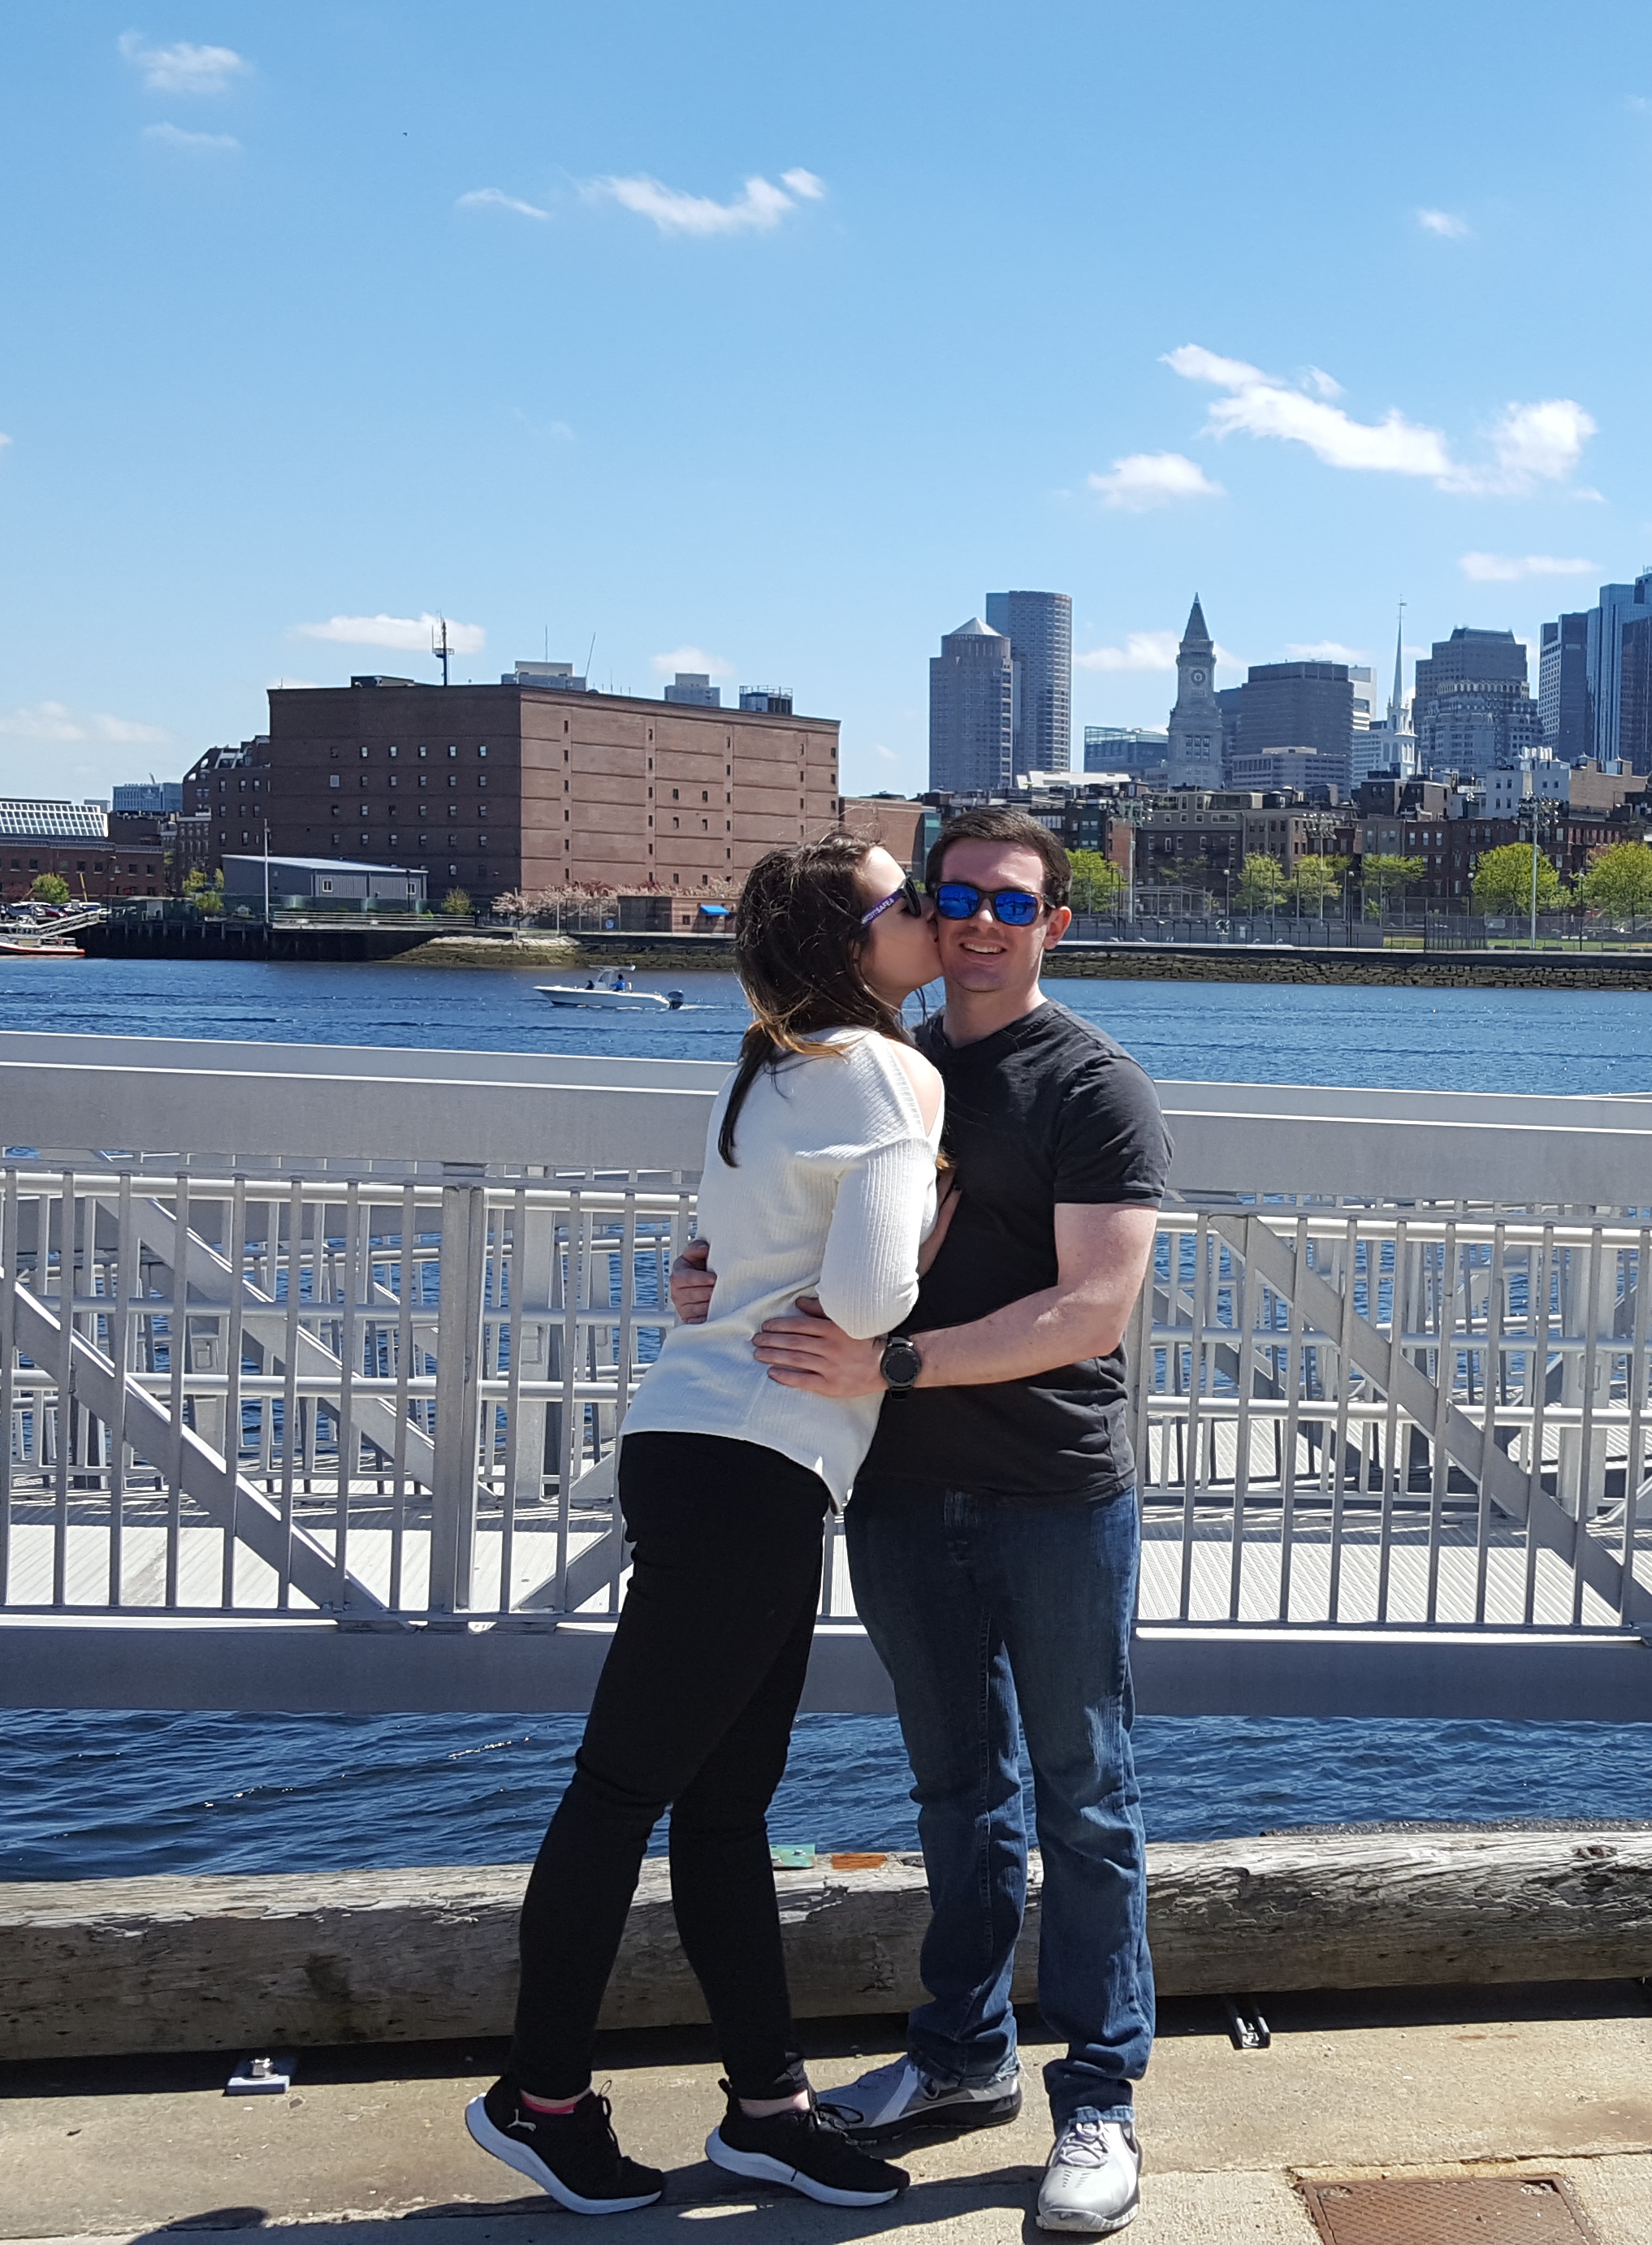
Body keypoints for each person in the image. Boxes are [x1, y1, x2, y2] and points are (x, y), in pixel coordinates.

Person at [677, 807, 1170, 2236]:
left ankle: (1099, 2097)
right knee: (958, 1791)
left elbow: (1093, 1308)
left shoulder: (1094, 1083)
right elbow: (769, 1214)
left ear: (1056, 925)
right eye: (954, 896)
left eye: (1011, 905)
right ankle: (963, 2056)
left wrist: (893, 1361)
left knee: (1086, 1796)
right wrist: (706, 1276)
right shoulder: (879, 1065)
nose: (976, 923)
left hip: (1055, 1485)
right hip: (894, 1483)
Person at [466, 835, 945, 2218]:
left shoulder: (768, 1065)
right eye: (904, 899)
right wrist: (923, 1237)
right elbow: (859, 1302)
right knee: (630, 1791)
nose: (925, 912)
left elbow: (725, 1265)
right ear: (854, 944)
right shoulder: (885, 1072)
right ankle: (537, 2098)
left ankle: (769, 2109)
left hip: (695, 1444)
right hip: (754, 1464)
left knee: (721, 1806)